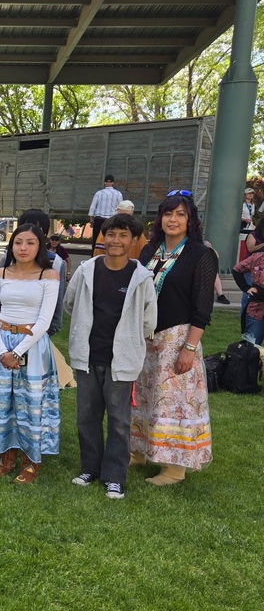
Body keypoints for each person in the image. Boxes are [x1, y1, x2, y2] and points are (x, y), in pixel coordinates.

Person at [65, 214, 157, 500]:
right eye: (112, 234)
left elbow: (148, 321)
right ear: (103, 237)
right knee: (87, 417)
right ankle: (90, 468)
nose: (116, 241)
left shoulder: (141, 277)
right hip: (88, 356)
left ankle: (115, 476)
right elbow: (70, 303)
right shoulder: (87, 270)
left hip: (122, 360)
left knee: (119, 419)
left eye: (123, 235)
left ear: (133, 241)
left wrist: (128, 341)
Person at [131, 191, 216, 486]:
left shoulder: (201, 254)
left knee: (172, 403)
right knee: (143, 396)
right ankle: (138, 451)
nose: (173, 219)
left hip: (177, 338)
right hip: (146, 337)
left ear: (191, 220)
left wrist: (189, 348)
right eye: (168, 213)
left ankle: (174, 468)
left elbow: (203, 307)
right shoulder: (150, 249)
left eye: (180, 214)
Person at [0, 223, 60, 483]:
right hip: (0, 344)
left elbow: (44, 321)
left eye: (30, 243)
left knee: (30, 403)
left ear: (40, 246)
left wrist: (18, 351)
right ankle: (6, 454)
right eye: (18, 242)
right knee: (4, 401)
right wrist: (3, 349)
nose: (23, 248)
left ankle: (32, 459)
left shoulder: (48, 276)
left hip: (32, 346)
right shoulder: (0, 273)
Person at [0, 209, 66, 335]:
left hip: (39, 332)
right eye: (26, 227)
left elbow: (58, 299)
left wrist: (52, 327)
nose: (31, 232)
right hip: (5, 328)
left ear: (45, 234)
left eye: (37, 229)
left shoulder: (55, 263)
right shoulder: (6, 260)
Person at [232, 243, 264, 344]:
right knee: (251, 347)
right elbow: (236, 269)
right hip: (256, 310)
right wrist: (246, 288)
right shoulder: (257, 257)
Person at [87, 175, 122, 256]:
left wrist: (91, 219)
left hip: (99, 220)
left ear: (105, 183)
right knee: (111, 239)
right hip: (112, 220)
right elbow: (120, 207)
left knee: (96, 240)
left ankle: (94, 256)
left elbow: (92, 207)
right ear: (113, 183)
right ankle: (109, 255)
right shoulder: (118, 194)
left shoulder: (99, 193)